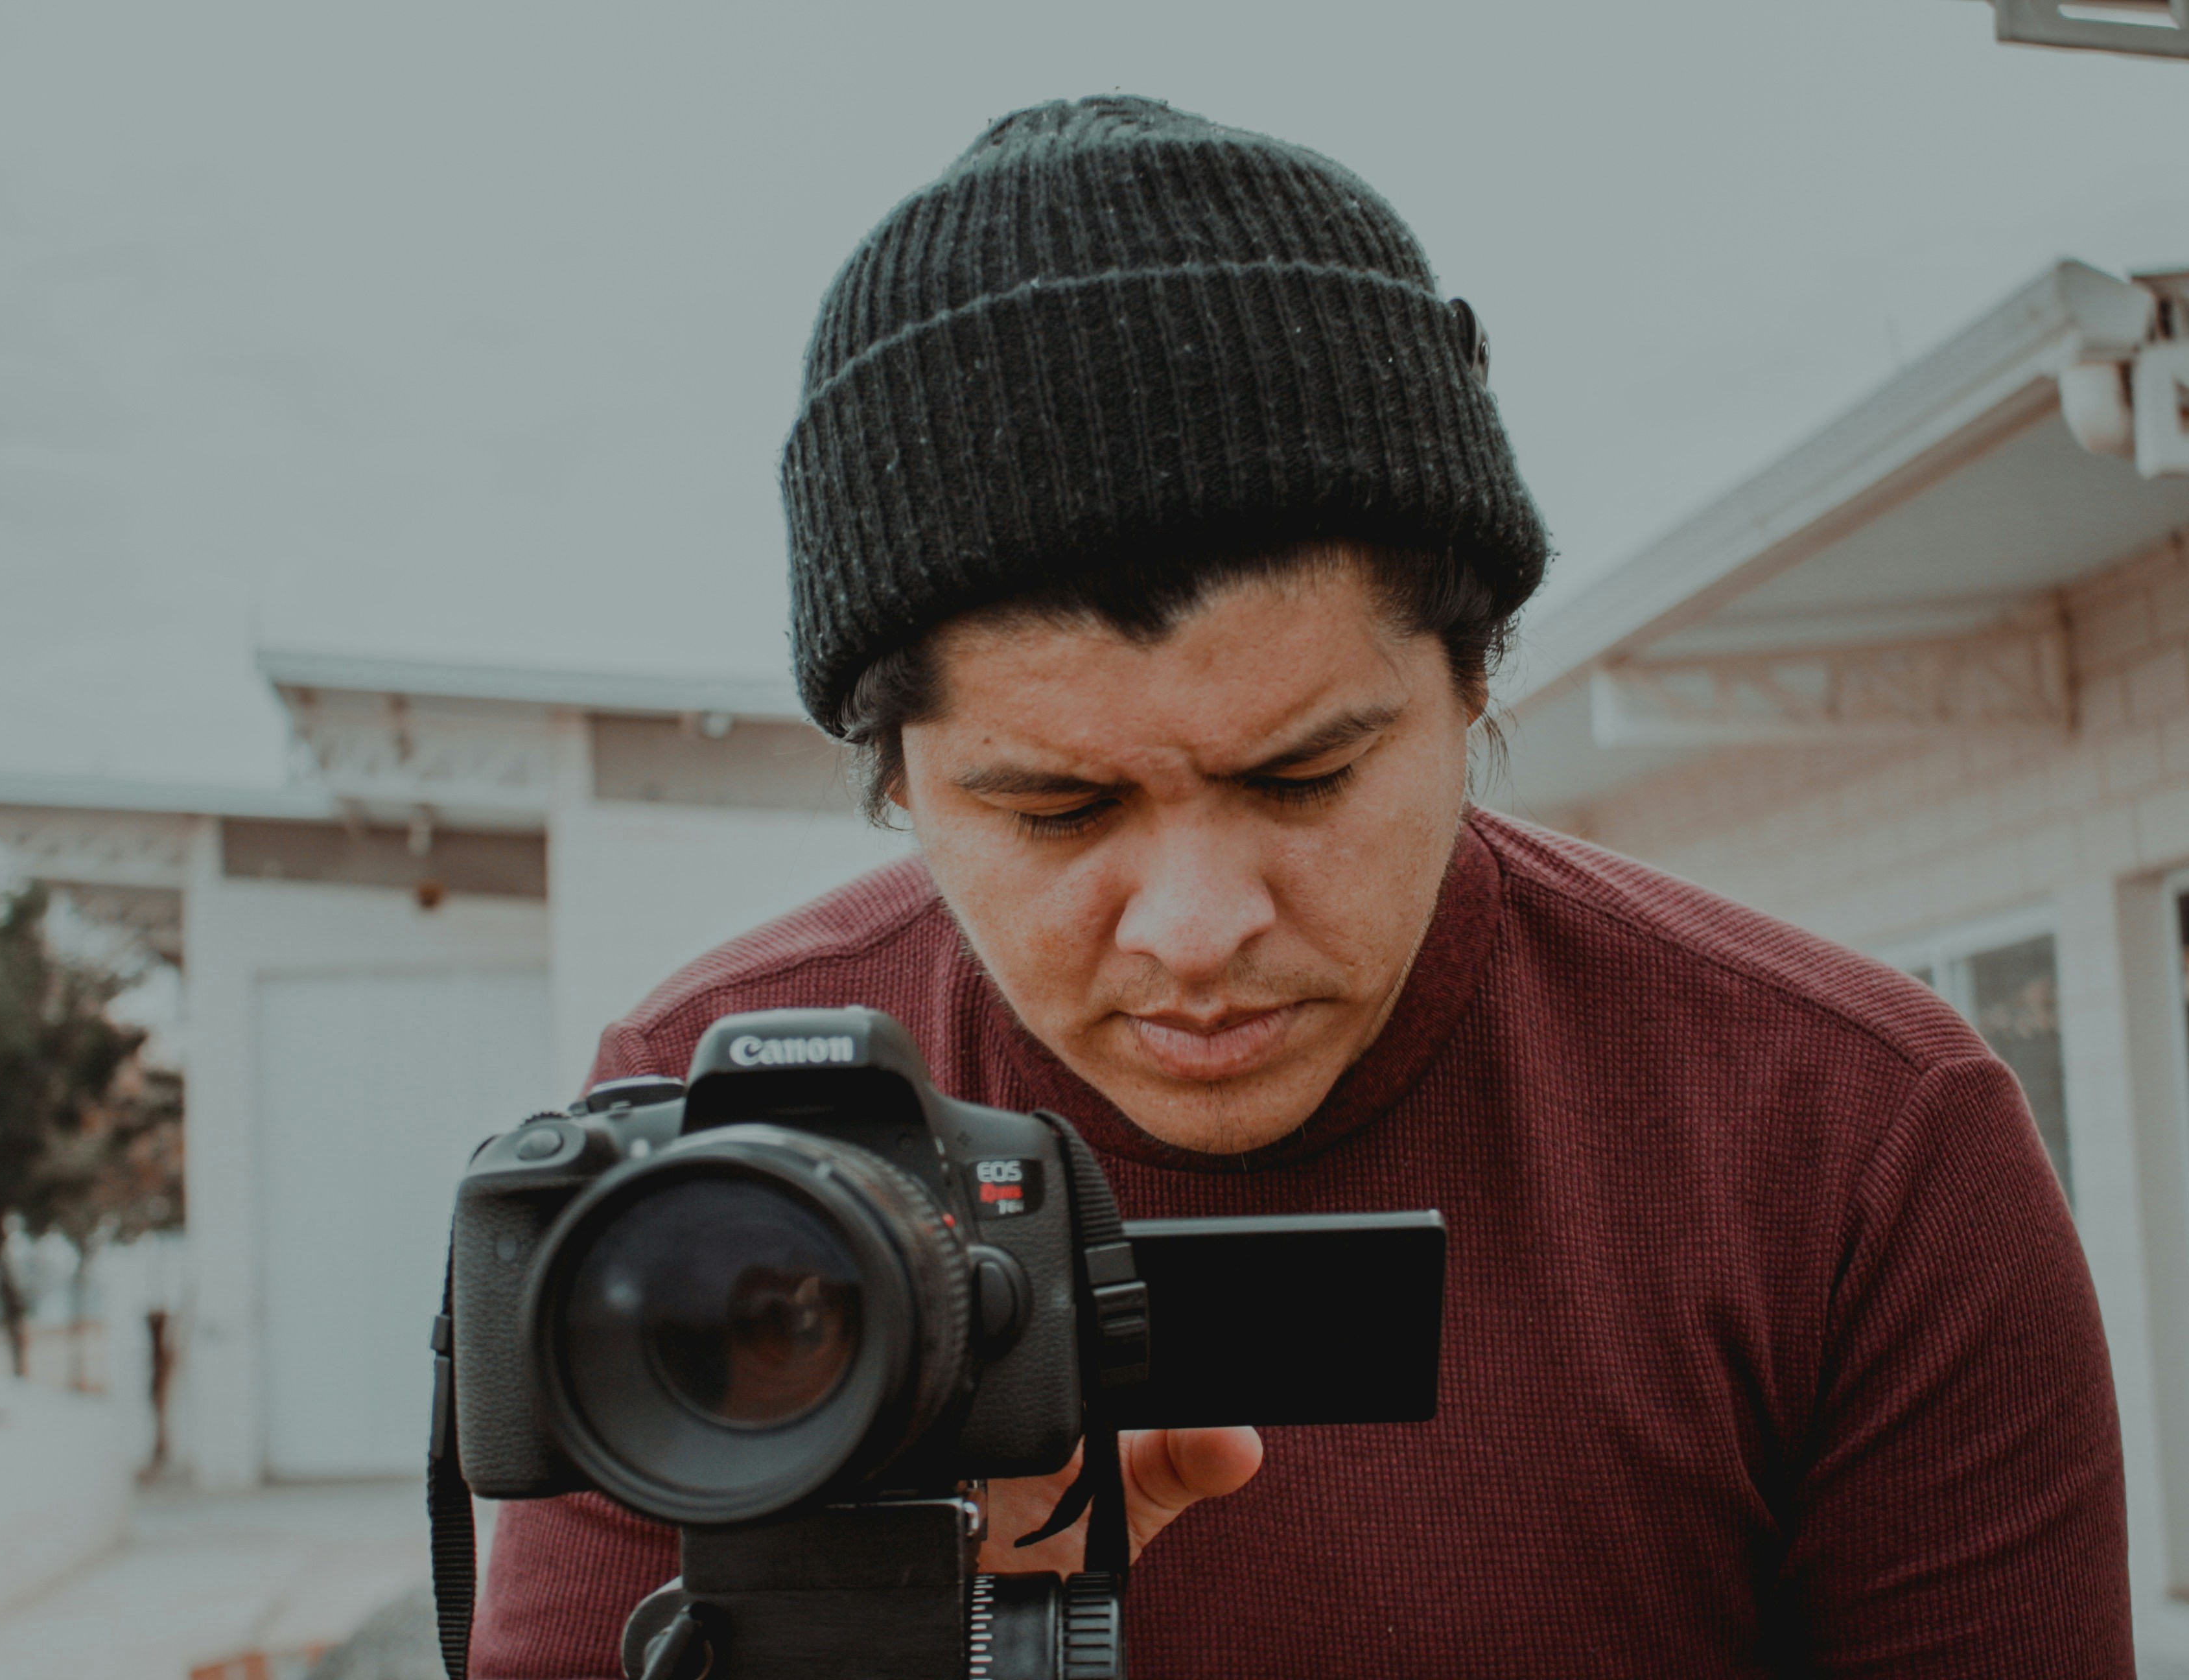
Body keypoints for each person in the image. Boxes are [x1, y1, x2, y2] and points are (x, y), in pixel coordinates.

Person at [473, 96, 2129, 1678]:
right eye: (1055, 808)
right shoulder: (713, 1150)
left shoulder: (1856, 1146)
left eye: (1304, 779)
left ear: (1474, 684)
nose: (1198, 931)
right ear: (895, 776)